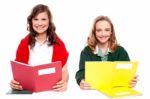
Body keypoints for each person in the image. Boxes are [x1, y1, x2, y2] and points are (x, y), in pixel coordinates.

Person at [10, 4, 69, 92]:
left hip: (52, 92)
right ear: (31, 21)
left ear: (49, 21)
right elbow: (19, 73)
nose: (39, 23)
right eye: (36, 19)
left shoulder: (59, 44)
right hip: (30, 91)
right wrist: (14, 84)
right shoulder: (23, 44)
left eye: (43, 19)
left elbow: (64, 71)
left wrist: (64, 83)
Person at [75, 15, 138, 90]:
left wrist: (131, 80)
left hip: (116, 89)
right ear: (94, 32)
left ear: (111, 32)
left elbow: (127, 71)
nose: (103, 34)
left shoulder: (121, 51)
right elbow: (81, 72)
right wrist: (81, 81)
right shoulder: (86, 51)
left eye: (107, 30)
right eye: (99, 30)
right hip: (93, 91)